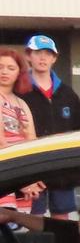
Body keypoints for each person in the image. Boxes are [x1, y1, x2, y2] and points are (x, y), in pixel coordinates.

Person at [18, 35, 80, 219]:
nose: (43, 58)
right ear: (28, 56)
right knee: (32, 220)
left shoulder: (67, 93)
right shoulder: (20, 90)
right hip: (31, 168)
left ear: (54, 58)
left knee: (62, 220)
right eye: (37, 53)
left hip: (62, 169)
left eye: (48, 54)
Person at [0, 49, 41, 214]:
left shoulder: (21, 103)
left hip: (20, 173)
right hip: (6, 172)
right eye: (0, 66)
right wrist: (22, 179)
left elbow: (32, 140)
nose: (4, 71)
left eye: (11, 68)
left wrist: (33, 176)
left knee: (20, 230)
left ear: (20, 73)